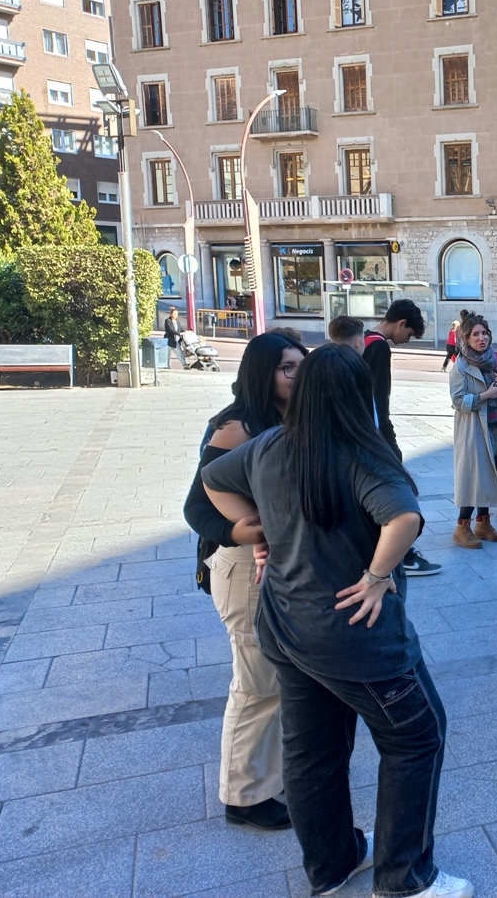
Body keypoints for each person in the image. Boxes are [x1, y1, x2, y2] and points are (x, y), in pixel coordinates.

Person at [202, 346, 472, 898]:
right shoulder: (359, 452)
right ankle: (403, 879)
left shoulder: (269, 445)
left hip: (285, 627)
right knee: (418, 736)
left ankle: (331, 865)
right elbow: (404, 518)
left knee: (312, 752)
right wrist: (376, 576)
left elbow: (212, 479)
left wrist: (254, 530)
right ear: (356, 396)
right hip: (355, 637)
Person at [182, 332, 308, 832]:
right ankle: (243, 796)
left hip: (279, 565)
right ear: (262, 373)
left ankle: (268, 777)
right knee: (256, 684)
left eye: (301, 366)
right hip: (243, 569)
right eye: (287, 368)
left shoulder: (289, 418)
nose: (297, 376)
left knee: (277, 680)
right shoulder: (236, 427)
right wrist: (241, 530)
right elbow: (197, 505)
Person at [363, 299, 440, 576]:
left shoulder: (364, 339)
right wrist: (388, 439)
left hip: (361, 431)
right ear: (401, 323)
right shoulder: (379, 347)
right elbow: (378, 399)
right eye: (409, 334)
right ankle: (403, 554)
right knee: (400, 488)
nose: (407, 340)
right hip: (375, 433)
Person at [450, 313, 497, 549]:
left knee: (491, 475)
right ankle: (462, 527)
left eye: (484, 333)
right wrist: (485, 395)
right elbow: (457, 401)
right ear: (466, 338)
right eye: (476, 334)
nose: (481, 338)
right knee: (475, 477)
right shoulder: (461, 366)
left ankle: (483, 523)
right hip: (473, 429)